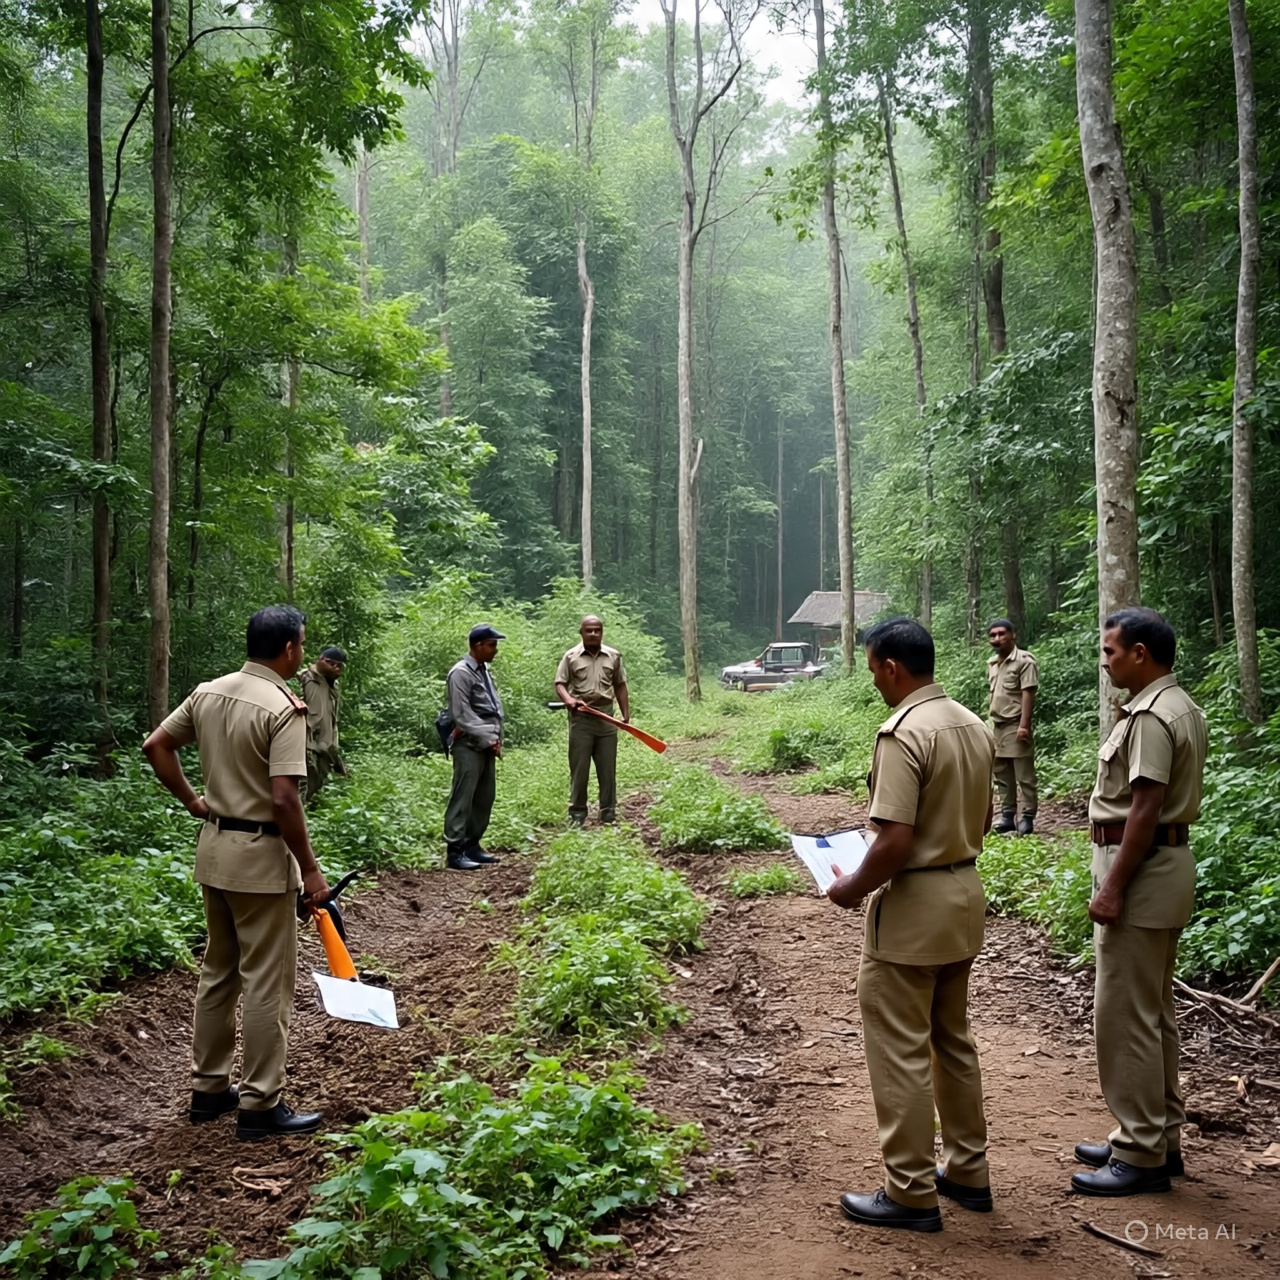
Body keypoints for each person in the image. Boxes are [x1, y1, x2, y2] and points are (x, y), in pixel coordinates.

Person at [827, 617, 996, 1233]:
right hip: (964, 893)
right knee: (952, 1038)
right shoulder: (972, 723)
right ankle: (967, 1172)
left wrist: (850, 886)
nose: (874, 681)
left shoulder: (901, 734)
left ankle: (909, 1191)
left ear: (892, 668)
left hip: (914, 906)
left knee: (899, 1047)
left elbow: (894, 838)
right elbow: (984, 819)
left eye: (873, 670)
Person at [141, 605, 330, 1141]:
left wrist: (194, 802)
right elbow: (284, 798)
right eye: (302, 644)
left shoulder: (209, 691)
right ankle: (260, 1103)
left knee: (218, 972)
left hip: (215, 851)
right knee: (267, 980)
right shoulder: (284, 708)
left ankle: (208, 1090)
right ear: (290, 649)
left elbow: (157, 746)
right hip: (261, 861)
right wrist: (311, 871)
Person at [1072, 607, 1207, 1197]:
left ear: (1141, 654)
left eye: (1110, 652)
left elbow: (1145, 810)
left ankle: (1140, 1152)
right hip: (1165, 871)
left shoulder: (1152, 716)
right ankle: (1157, 1135)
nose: (1105, 662)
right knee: (1153, 1012)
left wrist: (1111, 887)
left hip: (1143, 875)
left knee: (1124, 1016)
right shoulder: (1182, 706)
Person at [554, 615, 630, 826]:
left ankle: (608, 813)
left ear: (602, 632)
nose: (593, 634)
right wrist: (569, 700)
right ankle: (577, 814)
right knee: (580, 768)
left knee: (607, 768)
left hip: (606, 718)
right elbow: (560, 683)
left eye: (597, 630)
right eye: (589, 630)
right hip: (581, 719)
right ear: (582, 632)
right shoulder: (571, 657)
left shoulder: (613, 656)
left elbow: (620, 685)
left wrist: (625, 715)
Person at [443, 624, 506, 871]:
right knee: (463, 796)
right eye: (492, 645)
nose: (495, 650)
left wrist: (493, 737)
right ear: (478, 645)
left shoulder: (484, 670)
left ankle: (473, 845)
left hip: (486, 744)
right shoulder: (460, 673)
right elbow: (462, 714)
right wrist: (490, 736)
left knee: (484, 797)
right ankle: (455, 851)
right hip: (468, 744)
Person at [986, 618, 1038, 835]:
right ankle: (1008, 815)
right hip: (997, 725)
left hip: (1016, 723)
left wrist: (1024, 725)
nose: (997, 638)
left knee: (1024, 774)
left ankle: (1027, 816)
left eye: (1002, 634)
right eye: (993, 635)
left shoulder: (1024, 661)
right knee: (1001, 773)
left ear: (1012, 635)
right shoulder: (992, 664)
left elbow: (1028, 693)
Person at [300, 646, 347, 804]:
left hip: (325, 753)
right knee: (299, 794)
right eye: (330, 662)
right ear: (320, 660)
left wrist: (335, 755)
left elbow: (332, 723)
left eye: (339, 665)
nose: (334, 667)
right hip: (305, 750)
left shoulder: (333, 687)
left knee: (313, 794)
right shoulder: (305, 679)